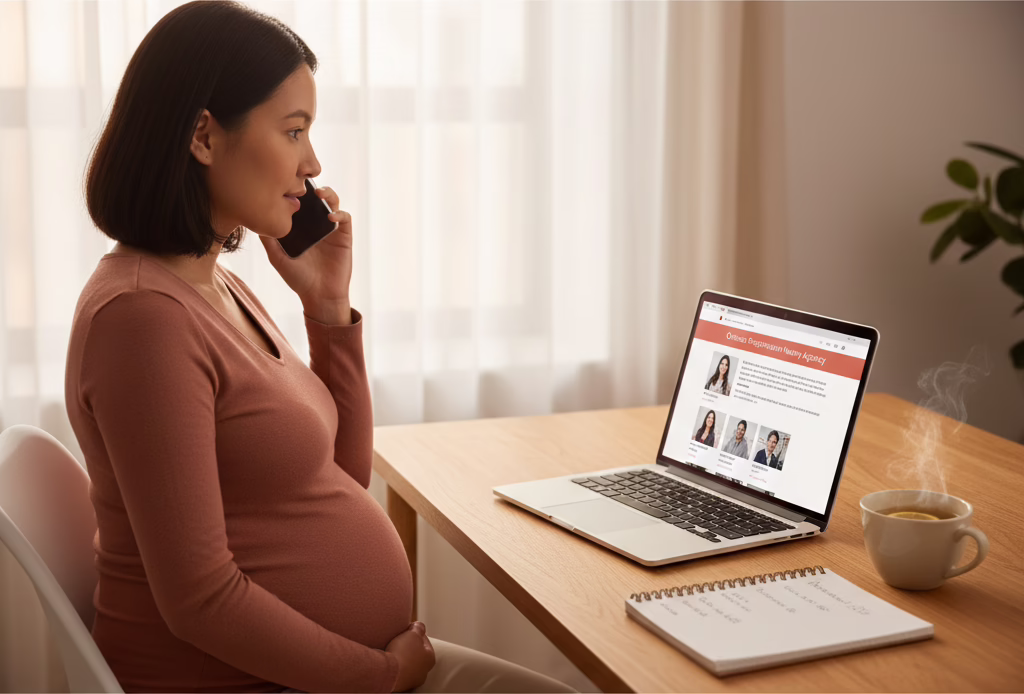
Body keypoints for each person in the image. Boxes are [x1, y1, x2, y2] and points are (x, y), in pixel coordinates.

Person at [64, 3, 575, 693]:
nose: (313, 162)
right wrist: (382, 675)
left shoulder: (217, 286)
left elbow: (335, 476)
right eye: (294, 130)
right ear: (204, 136)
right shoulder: (141, 319)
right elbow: (200, 601)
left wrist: (328, 311)